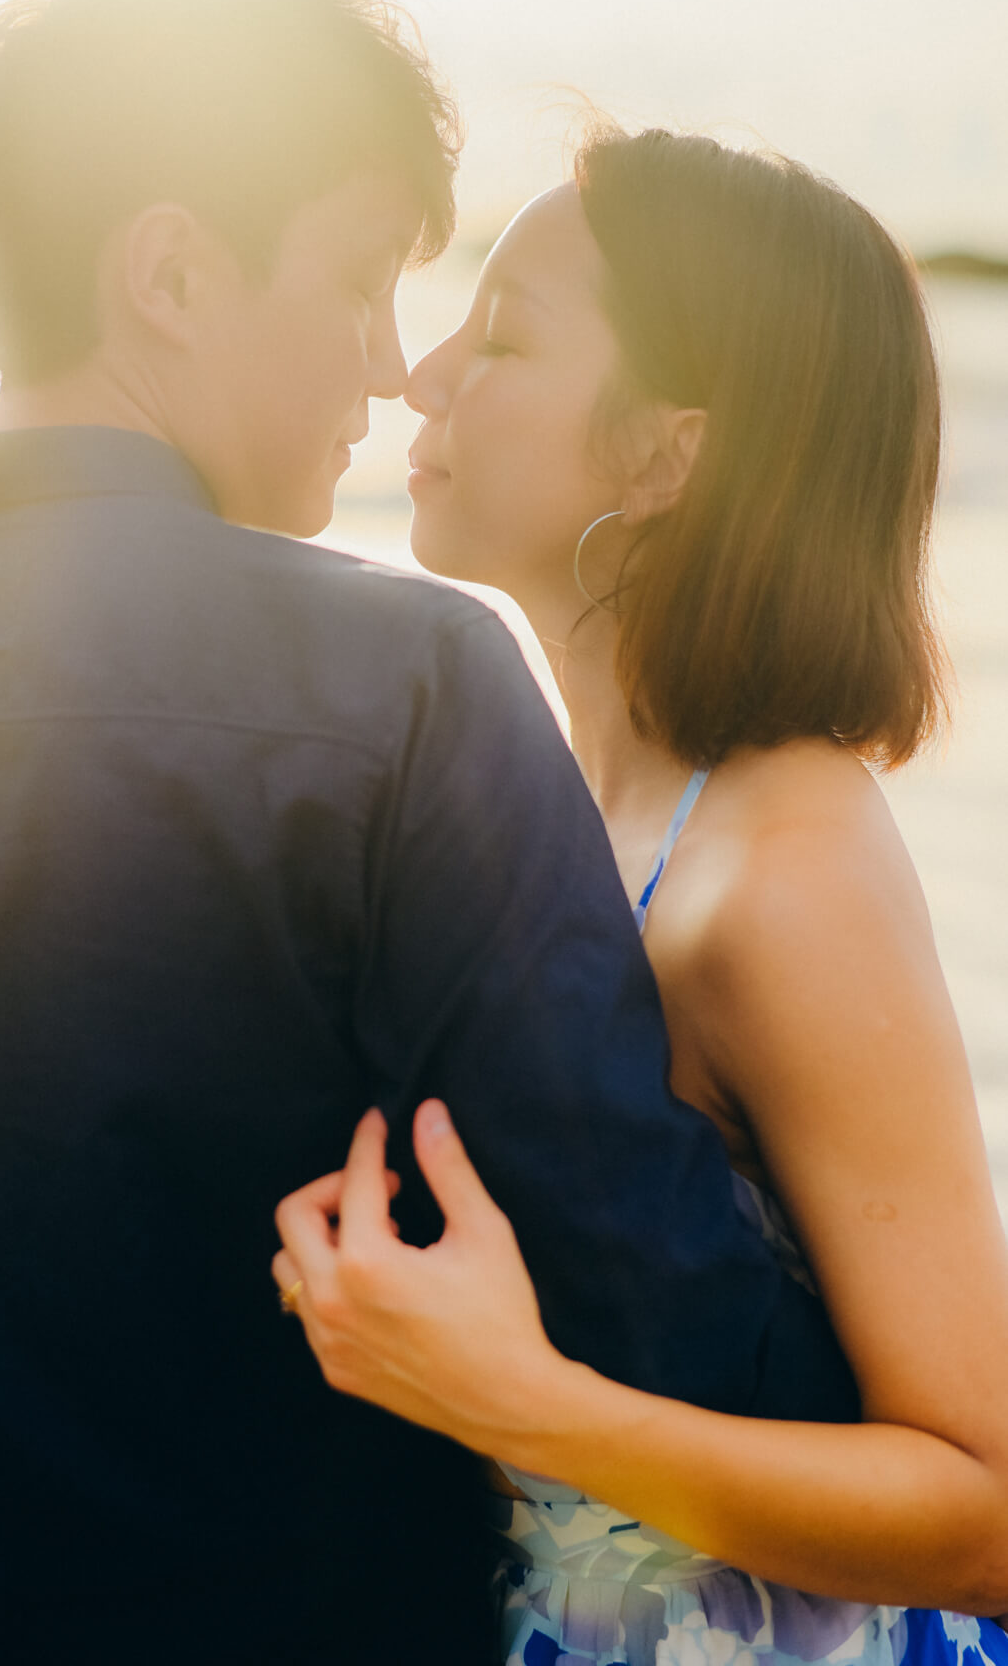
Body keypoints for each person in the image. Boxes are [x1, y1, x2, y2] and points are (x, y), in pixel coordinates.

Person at [0, 0, 857, 1666]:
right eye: (364, 282)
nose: (391, 369)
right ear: (168, 272)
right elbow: (645, 1299)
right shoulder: (407, 688)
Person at [272, 127, 1008, 1665]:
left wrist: (518, 1400)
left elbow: (987, 1508)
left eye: (509, 335)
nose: (425, 377)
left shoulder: (782, 854)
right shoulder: (556, 805)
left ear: (668, 455)